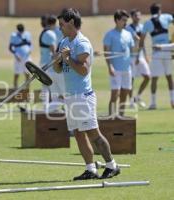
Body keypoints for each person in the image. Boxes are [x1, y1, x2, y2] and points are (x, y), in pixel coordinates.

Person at [54, 8, 120, 180]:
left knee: (93, 134)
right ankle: (90, 169)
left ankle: (112, 165)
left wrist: (68, 58)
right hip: (70, 96)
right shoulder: (63, 43)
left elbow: (83, 70)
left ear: (71, 23)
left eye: (62, 24)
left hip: (82, 96)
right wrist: (58, 60)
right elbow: (57, 69)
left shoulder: (82, 43)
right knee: (77, 133)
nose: (60, 27)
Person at [139, 3, 174, 109]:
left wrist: (143, 55)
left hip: (156, 53)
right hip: (168, 50)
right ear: (159, 11)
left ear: (151, 12)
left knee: (154, 78)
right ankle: (173, 101)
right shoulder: (167, 17)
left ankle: (153, 103)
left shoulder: (147, 23)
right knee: (169, 77)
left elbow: (141, 41)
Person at [103, 10, 135, 116]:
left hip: (127, 69)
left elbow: (132, 50)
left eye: (126, 20)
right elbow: (106, 52)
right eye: (123, 20)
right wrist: (110, 66)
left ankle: (121, 118)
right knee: (115, 95)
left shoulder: (128, 34)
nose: (125, 22)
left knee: (124, 94)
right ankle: (111, 118)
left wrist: (138, 41)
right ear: (117, 20)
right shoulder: (109, 34)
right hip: (115, 69)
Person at [126, 9, 150, 109]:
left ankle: (138, 97)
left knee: (148, 77)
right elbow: (138, 39)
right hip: (131, 57)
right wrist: (135, 56)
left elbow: (142, 43)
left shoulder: (142, 27)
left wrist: (146, 55)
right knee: (131, 80)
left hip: (140, 56)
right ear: (132, 17)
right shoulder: (129, 28)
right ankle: (131, 101)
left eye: (139, 15)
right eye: (136, 15)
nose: (138, 17)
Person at [39, 14, 64, 112]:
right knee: (54, 87)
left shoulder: (44, 32)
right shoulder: (50, 33)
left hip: (43, 62)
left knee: (46, 86)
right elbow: (54, 52)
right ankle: (50, 108)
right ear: (54, 23)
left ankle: (47, 107)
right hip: (48, 64)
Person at [9, 24, 32, 89]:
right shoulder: (13, 35)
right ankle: (15, 89)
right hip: (18, 57)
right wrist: (16, 55)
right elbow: (10, 48)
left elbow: (30, 44)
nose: (21, 32)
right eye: (20, 30)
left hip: (27, 57)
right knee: (17, 73)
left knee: (27, 73)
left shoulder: (27, 34)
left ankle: (27, 90)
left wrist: (30, 50)